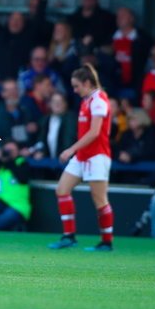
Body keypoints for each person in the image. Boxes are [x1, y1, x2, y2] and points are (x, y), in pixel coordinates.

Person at [49, 64, 116, 252]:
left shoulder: (99, 100)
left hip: (97, 157)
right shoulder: (87, 100)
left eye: (77, 86)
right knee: (62, 189)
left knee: (100, 200)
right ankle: (69, 236)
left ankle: (106, 242)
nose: (75, 90)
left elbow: (95, 132)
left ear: (87, 83)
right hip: (83, 156)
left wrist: (71, 149)